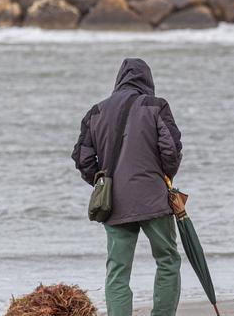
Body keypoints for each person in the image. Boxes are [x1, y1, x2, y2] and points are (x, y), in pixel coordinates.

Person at [72, 58, 183, 316]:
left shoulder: (95, 112)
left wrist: (102, 183)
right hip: (154, 199)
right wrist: (164, 177)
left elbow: (83, 158)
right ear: (148, 80)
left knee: (118, 271)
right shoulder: (156, 106)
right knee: (167, 261)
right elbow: (171, 151)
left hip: (114, 203)